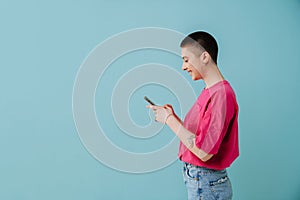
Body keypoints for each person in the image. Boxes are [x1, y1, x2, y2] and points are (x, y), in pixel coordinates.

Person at [147, 31, 239, 200]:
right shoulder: (211, 92)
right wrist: (172, 117)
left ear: (205, 57)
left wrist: (169, 120)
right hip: (202, 180)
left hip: (205, 181)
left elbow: (204, 152)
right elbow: (201, 139)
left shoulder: (221, 95)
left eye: (186, 60)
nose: (183, 66)